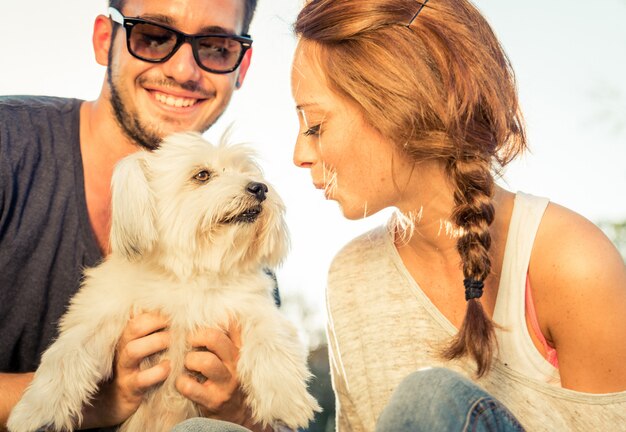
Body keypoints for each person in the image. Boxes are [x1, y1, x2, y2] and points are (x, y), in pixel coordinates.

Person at [291, 0, 626, 430]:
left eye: (315, 125)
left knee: (430, 400)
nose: (299, 154)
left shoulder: (571, 262)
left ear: (398, 105)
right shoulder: (350, 276)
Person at [0, 0, 277, 430]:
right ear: (103, 39)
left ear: (241, 67)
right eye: (153, 36)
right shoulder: (8, 146)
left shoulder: (235, 246)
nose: (185, 70)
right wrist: (95, 401)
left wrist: (237, 412)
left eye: (217, 47)